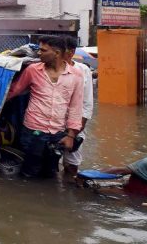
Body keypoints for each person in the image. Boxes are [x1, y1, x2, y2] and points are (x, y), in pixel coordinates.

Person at [7, 35, 83, 178]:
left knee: (51, 172)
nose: (39, 53)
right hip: (32, 130)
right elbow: (13, 91)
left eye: (43, 50)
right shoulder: (32, 70)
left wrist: (71, 136)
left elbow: (76, 107)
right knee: (28, 172)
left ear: (57, 53)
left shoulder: (76, 75)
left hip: (57, 132)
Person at [62, 36, 94, 175]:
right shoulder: (47, 68)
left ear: (71, 51)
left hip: (75, 124)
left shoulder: (83, 70)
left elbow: (87, 103)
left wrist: (76, 130)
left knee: (72, 163)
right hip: (52, 123)